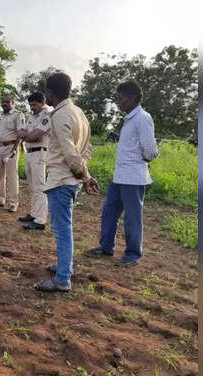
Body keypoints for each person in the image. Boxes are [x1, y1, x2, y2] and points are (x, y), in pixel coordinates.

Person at [34, 72, 100, 292]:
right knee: (63, 227)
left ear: (50, 93)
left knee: (62, 230)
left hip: (62, 180)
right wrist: (84, 174)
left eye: (46, 93)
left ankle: (63, 279)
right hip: (70, 180)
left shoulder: (61, 115)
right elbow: (87, 149)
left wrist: (84, 175)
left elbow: (71, 154)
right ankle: (64, 267)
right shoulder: (79, 113)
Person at [86, 81, 159, 267]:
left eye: (121, 99)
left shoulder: (143, 118)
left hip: (133, 177)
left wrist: (139, 161)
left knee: (132, 217)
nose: (118, 103)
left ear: (133, 99)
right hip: (120, 176)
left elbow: (150, 150)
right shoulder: (130, 119)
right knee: (109, 211)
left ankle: (133, 254)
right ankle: (106, 246)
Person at [18, 92, 52, 230]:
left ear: (43, 102)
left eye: (35, 104)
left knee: (39, 188)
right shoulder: (32, 116)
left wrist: (27, 135)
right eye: (30, 104)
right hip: (30, 153)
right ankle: (34, 213)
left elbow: (36, 136)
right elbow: (22, 132)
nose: (32, 107)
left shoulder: (48, 115)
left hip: (40, 153)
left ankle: (40, 220)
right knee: (32, 186)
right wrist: (28, 135)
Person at [0, 94, 24, 212]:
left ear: (13, 103)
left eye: (7, 102)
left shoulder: (18, 115)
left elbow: (20, 133)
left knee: (12, 176)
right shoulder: (0, 116)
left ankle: (13, 203)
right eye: (3, 102)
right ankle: (0, 199)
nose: (4, 104)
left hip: (10, 147)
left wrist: (15, 148)